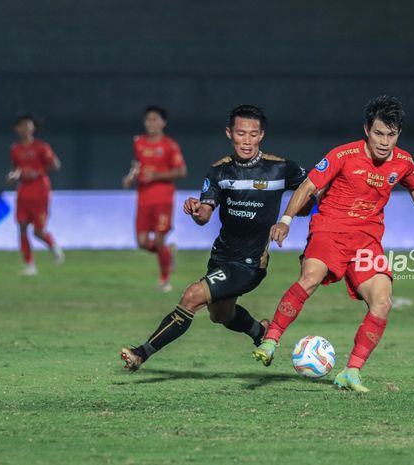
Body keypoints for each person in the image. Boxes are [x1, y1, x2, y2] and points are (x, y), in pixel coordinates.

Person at [252, 96, 414, 392]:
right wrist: (286, 220)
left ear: (399, 134)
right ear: (367, 129)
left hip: (367, 241)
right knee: (310, 278)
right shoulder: (343, 155)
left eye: (391, 135)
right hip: (329, 231)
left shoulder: (404, 162)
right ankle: (271, 339)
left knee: (382, 302)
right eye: (379, 133)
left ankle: (351, 371)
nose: (385, 142)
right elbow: (309, 186)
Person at [120, 104, 308, 371]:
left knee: (192, 296)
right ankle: (259, 331)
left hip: (250, 263)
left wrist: (289, 218)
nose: (247, 141)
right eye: (241, 134)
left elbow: (311, 192)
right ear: (229, 133)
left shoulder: (281, 168)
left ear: (261, 135)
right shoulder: (219, 172)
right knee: (221, 315)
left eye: (253, 134)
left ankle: (141, 353)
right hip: (221, 256)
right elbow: (204, 215)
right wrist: (197, 210)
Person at [123, 106, 187, 292]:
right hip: (143, 198)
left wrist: (157, 175)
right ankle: (168, 253)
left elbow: (181, 171)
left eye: (155, 119)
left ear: (163, 122)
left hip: (163, 199)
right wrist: (130, 177)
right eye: (148, 119)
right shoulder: (139, 142)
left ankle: (164, 280)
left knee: (159, 240)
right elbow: (137, 165)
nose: (151, 123)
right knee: (142, 242)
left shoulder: (169, 145)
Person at [6, 114, 64, 276]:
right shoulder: (15, 149)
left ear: (33, 128)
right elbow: (15, 169)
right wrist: (13, 176)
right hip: (23, 191)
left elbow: (56, 164)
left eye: (28, 125)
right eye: (22, 125)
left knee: (38, 231)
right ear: (17, 129)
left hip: (40, 191)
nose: (25, 128)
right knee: (22, 227)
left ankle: (53, 246)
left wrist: (38, 172)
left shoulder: (41, 147)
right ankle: (30, 265)